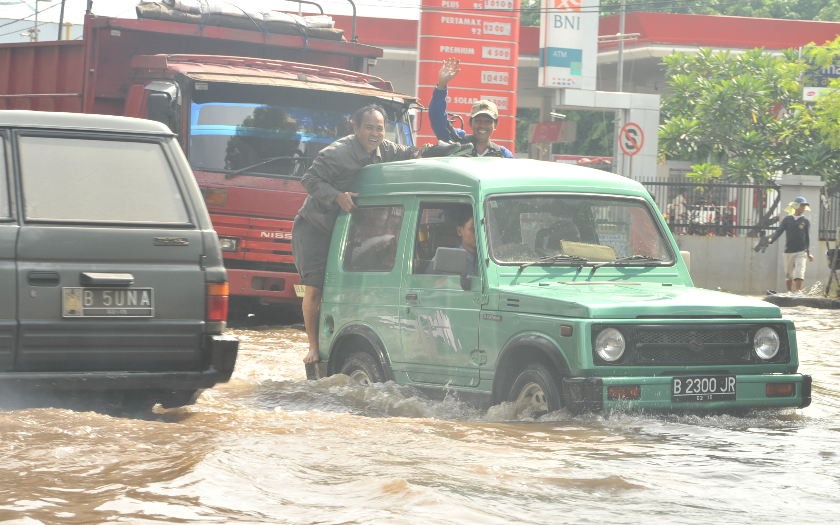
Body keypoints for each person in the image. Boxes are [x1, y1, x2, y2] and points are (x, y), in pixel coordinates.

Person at [293, 104, 422, 364]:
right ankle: (313, 348)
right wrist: (337, 196)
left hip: (344, 231)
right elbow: (308, 180)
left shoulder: (386, 149)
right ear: (356, 127)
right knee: (315, 289)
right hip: (314, 228)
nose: (374, 134)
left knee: (348, 288)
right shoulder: (336, 153)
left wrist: (440, 149)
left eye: (379, 128)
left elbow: (412, 153)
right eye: (369, 128)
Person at [430, 58, 514, 158]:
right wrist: (442, 85)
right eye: (478, 120)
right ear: (471, 123)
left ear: (495, 125)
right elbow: (437, 119)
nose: (482, 125)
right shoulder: (457, 144)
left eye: (488, 121)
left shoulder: (503, 155)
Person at [768, 196, 814, 293]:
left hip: (801, 250)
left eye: (804, 206)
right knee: (789, 274)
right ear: (796, 206)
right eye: (802, 205)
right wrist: (771, 239)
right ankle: (789, 293)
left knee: (799, 272)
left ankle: (798, 292)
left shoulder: (805, 221)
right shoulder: (787, 220)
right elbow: (779, 231)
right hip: (789, 250)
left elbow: (807, 237)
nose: (803, 207)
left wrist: (808, 252)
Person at [427, 208, 478, 276]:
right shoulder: (443, 258)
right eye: (473, 229)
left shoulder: (490, 260)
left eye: (484, 229)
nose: (480, 234)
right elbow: (428, 281)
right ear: (459, 231)